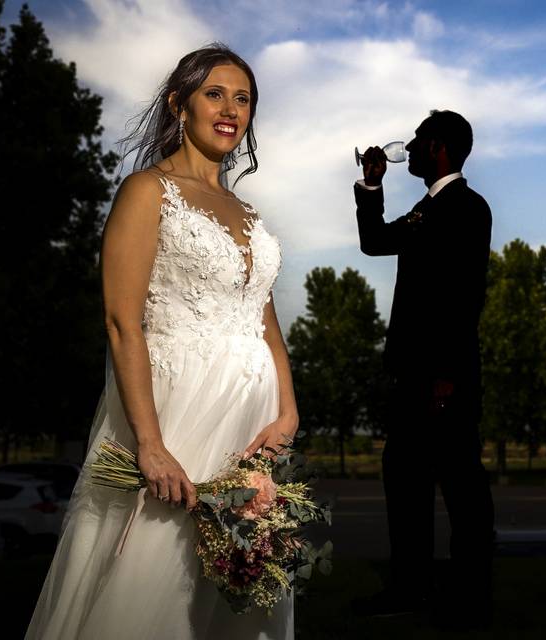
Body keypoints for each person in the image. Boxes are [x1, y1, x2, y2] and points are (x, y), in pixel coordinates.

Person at [24, 43, 297, 639]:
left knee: (238, 579)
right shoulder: (147, 192)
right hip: (179, 412)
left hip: (249, 425)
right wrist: (149, 444)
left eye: (243, 98)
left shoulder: (247, 213)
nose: (230, 109)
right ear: (180, 104)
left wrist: (288, 406)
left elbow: (263, 317)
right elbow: (123, 323)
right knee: (159, 573)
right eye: (214, 94)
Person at [351, 110, 496, 629]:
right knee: (406, 484)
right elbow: (374, 243)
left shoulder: (468, 209)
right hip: (411, 377)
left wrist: (446, 376)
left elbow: (463, 299)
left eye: (415, 142)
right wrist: (371, 186)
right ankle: (410, 588)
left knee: (462, 490)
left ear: (437, 147)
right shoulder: (425, 209)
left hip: (444, 381)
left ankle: (471, 598)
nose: (406, 150)